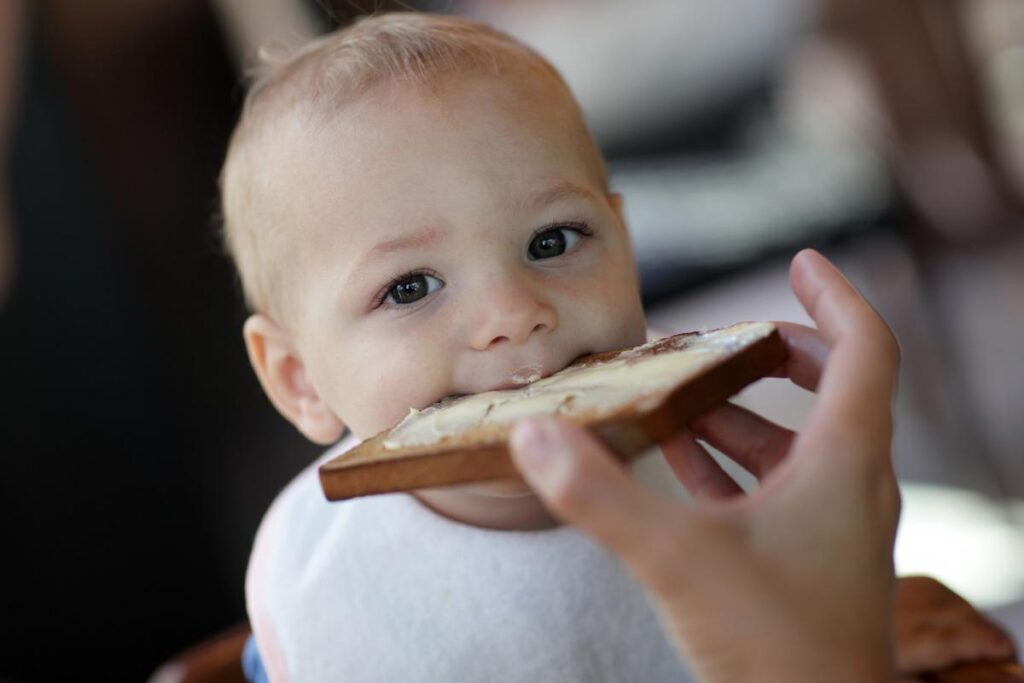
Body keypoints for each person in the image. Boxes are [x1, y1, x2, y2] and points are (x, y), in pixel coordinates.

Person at [218, 13, 1014, 682]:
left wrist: (859, 636)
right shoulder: (324, 587)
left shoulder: (711, 463)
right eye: (410, 288)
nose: (515, 313)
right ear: (299, 380)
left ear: (626, 247)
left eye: (554, 238)